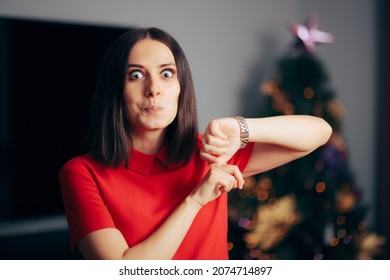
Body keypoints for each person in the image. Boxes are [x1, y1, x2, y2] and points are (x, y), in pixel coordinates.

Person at [58, 27, 332, 260]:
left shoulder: (211, 152)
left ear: (181, 87)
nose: (154, 89)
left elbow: (319, 132)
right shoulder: (82, 173)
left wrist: (241, 127)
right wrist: (195, 200)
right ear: (115, 89)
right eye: (136, 75)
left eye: (167, 74)